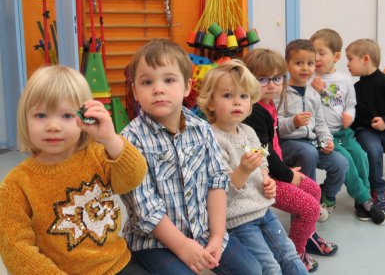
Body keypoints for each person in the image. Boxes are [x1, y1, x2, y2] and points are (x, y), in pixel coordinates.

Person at [120, 39, 262, 275]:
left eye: (169, 80)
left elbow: (217, 182)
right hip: (154, 242)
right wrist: (183, 246)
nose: (158, 89)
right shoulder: (130, 140)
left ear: (187, 87)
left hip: (204, 231)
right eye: (147, 82)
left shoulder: (202, 128)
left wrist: (216, 235)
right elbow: (146, 208)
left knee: (252, 270)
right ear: (135, 91)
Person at [0, 65, 149, 275]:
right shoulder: (16, 184)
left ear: (84, 118)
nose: (53, 126)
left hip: (118, 264)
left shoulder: (97, 154)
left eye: (67, 116)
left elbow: (134, 176)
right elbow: (16, 250)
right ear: (25, 119)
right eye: (41, 115)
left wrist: (110, 139)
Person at [198, 60, 309, 275]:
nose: (237, 102)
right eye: (228, 96)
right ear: (210, 103)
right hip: (237, 220)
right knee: (270, 268)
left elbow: (263, 162)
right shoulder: (211, 139)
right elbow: (217, 193)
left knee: (290, 255)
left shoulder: (248, 131)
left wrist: (267, 180)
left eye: (243, 96)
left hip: (263, 209)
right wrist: (243, 171)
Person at [242, 48, 339, 272]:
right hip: (261, 180)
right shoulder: (254, 111)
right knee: (309, 208)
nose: (272, 85)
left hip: (276, 170)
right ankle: (295, 253)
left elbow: (273, 145)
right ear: (249, 79)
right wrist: (286, 174)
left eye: (277, 78)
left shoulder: (269, 103)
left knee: (314, 190)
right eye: (263, 79)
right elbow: (263, 151)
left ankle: (308, 238)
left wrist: (285, 169)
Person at [308, 29, 385, 224]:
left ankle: (362, 198)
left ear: (336, 57)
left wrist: (349, 117)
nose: (316, 58)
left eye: (321, 53)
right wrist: (317, 91)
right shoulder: (309, 79)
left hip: (344, 133)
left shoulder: (344, 80)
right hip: (319, 138)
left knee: (361, 156)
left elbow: (350, 104)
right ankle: (364, 199)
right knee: (347, 161)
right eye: (313, 53)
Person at [275, 39, 348, 219]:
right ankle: (306, 205)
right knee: (308, 153)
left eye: (310, 63)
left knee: (341, 162)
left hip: (311, 142)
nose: (305, 68)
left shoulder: (313, 93)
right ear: (287, 64)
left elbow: (321, 124)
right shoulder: (280, 92)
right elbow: (275, 126)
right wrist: (293, 122)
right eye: (299, 63)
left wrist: (326, 141)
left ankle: (326, 198)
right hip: (288, 143)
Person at [346, 38, 385, 212]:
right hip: (365, 131)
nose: (347, 64)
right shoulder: (355, 87)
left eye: (350, 59)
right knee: (374, 152)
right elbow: (353, 113)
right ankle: (378, 190)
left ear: (365, 59)